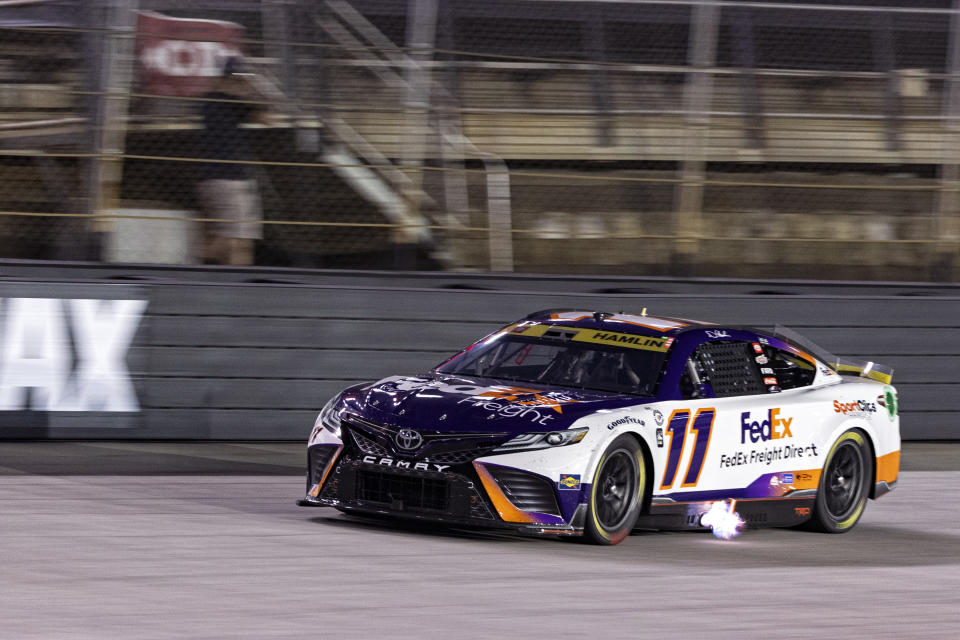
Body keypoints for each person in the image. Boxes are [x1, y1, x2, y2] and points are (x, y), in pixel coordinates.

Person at [195, 56, 273, 265]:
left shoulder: (237, 104)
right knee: (234, 240)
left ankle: (236, 281)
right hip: (224, 179)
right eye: (231, 79)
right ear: (221, 79)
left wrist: (252, 89)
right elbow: (261, 114)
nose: (235, 84)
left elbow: (266, 119)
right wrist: (245, 91)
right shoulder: (214, 101)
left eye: (238, 80)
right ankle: (188, 258)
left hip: (236, 179)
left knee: (241, 240)